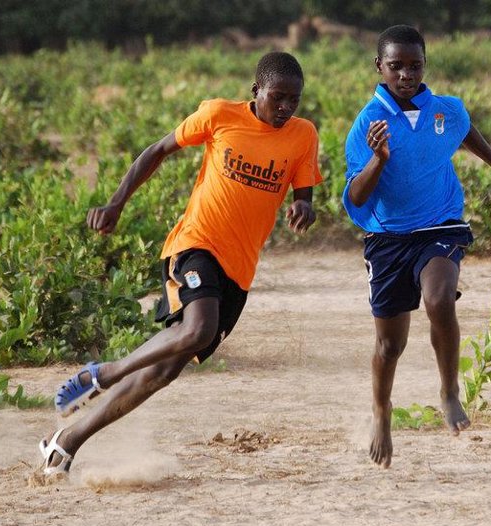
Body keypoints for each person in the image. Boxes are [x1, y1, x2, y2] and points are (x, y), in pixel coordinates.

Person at [39, 52, 322, 475]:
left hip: (239, 270)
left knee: (165, 371)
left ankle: (66, 442)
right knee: (198, 329)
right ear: (255, 91)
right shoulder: (218, 115)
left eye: (293, 100)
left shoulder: (303, 135)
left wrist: (304, 208)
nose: (285, 108)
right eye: (277, 97)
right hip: (197, 244)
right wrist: (116, 202)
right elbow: (157, 150)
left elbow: (304, 193)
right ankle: (106, 373)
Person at [343, 25, 491, 468]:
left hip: (439, 225)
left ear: (425, 64)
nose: (406, 74)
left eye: (415, 64)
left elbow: (466, 135)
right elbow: (356, 196)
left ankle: (448, 391)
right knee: (390, 346)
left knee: (439, 297)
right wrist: (378, 160)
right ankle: (381, 413)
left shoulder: (445, 110)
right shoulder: (369, 121)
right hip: (387, 238)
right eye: (396, 66)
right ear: (379, 68)